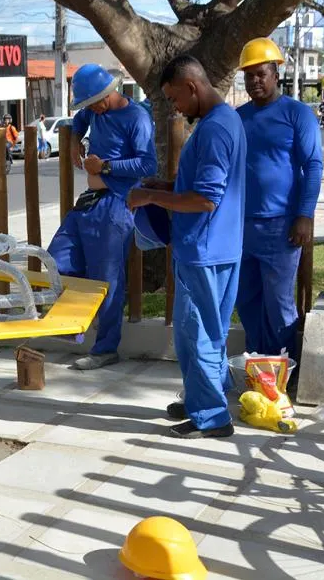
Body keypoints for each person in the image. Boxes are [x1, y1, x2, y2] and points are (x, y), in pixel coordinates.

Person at [127, 55, 246, 438]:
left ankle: (211, 417)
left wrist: (149, 199)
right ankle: (206, 396)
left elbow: (206, 199)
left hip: (204, 249)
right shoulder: (226, 121)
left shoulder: (213, 130)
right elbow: (204, 188)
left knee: (198, 334)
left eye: (175, 98)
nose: (174, 107)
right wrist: (162, 188)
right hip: (219, 246)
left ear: (191, 87)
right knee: (205, 330)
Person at [48, 63, 157, 370]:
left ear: (109, 92)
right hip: (89, 202)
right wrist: (73, 140)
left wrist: (105, 167)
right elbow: (80, 118)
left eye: (94, 102)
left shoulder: (137, 118)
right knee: (57, 259)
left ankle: (106, 347)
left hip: (117, 203)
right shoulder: (93, 111)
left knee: (107, 277)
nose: (92, 109)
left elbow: (147, 165)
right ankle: (76, 320)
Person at [235, 38, 323, 362]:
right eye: (249, 76)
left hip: (281, 226)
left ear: (275, 74)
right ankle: (259, 363)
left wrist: (304, 215)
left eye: (261, 74)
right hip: (242, 225)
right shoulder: (238, 117)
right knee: (246, 299)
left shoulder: (297, 114)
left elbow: (313, 165)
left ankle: (286, 369)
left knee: (278, 303)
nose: (255, 81)